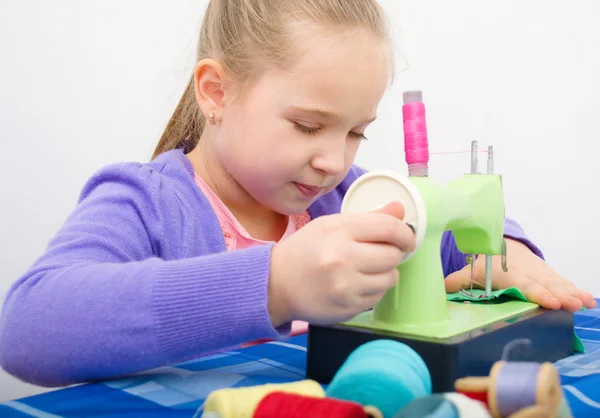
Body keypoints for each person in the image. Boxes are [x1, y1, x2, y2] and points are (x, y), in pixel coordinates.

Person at [0, 0, 594, 388]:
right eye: (309, 126)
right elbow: (28, 326)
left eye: (357, 131)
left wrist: (505, 250)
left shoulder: (348, 202)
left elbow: (456, 246)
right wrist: (276, 283)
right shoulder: (147, 203)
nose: (335, 161)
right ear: (216, 92)